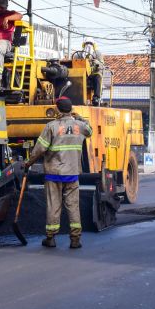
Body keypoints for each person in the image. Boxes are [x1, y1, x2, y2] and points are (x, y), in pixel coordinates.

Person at [25, 97, 92, 249]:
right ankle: (75, 239)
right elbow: (90, 131)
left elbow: (39, 149)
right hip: (72, 173)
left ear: (57, 109)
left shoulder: (51, 127)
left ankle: (51, 238)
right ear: (71, 109)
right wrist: (80, 118)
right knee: (73, 206)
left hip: (54, 173)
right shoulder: (80, 126)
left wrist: (28, 163)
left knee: (53, 206)